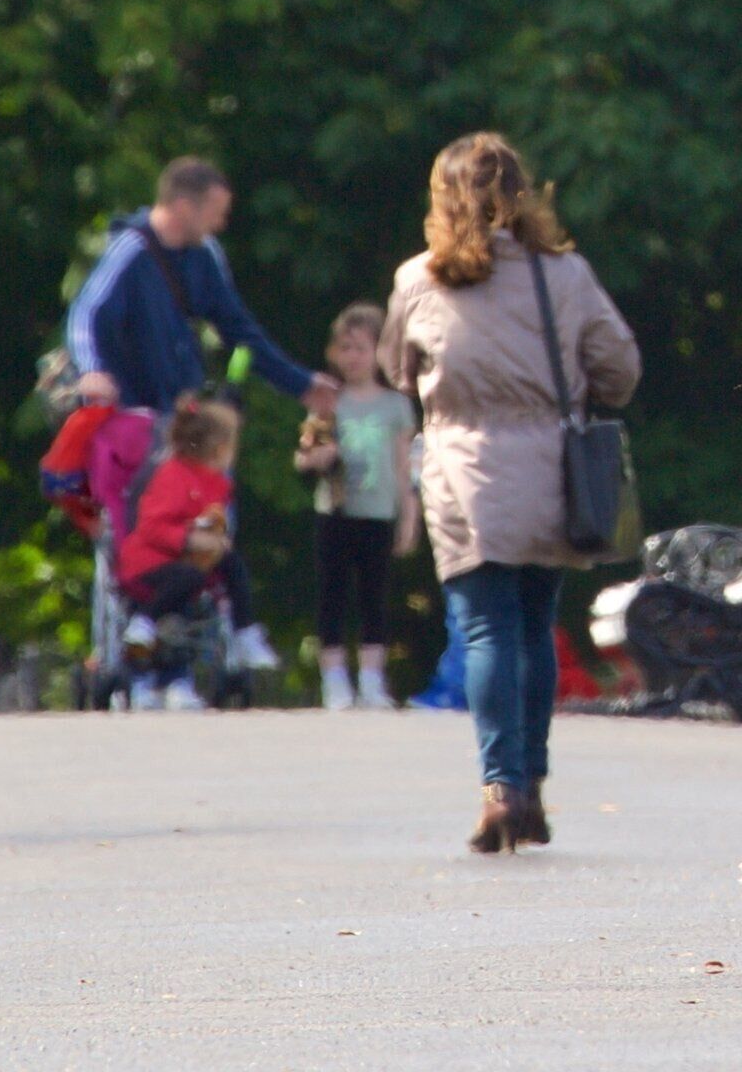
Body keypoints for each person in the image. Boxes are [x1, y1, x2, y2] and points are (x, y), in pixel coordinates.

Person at [383, 133, 639, 855]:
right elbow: (619, 369)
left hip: (463, 472)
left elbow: (399, 372)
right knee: (534, 624)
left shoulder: (417, 281)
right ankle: (530, 787)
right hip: (551, 467)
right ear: (525, 195)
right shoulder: (565, 277)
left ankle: (499, 789)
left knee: (488, 630)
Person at [63, 157, 339, 676]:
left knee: (207, 522)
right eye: (215, 211)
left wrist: (300, 384)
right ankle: (147, 658)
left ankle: (213, 648)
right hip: (136, 422)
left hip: (185, 414)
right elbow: (84, 317)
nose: (221, 224)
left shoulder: (203, 255)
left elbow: (239, 329)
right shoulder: (130, 251)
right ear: (183, 205)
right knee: (152, 528)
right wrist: (92, 371)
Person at [294, 302, 419, 709]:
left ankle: (371, 677)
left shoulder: (396, 406)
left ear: (379, 352)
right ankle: (334, 678)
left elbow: (405, 466)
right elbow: (302, 456)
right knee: (332, 593)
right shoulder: (327, 403)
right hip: (335, 508)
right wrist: (319, 459)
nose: (352, 357)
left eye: (361, 348)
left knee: (374, 596)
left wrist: (409, 517)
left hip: (379, 510)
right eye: (345, 347)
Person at [115, 396, 245, 711]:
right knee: (184, 584)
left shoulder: (213, 484)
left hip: (182, 565)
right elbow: (152, 528)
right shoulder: (172, 476)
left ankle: (178, 678)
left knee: (194, 602)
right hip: (150, 562)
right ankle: (141, 678)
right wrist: (191, 540)